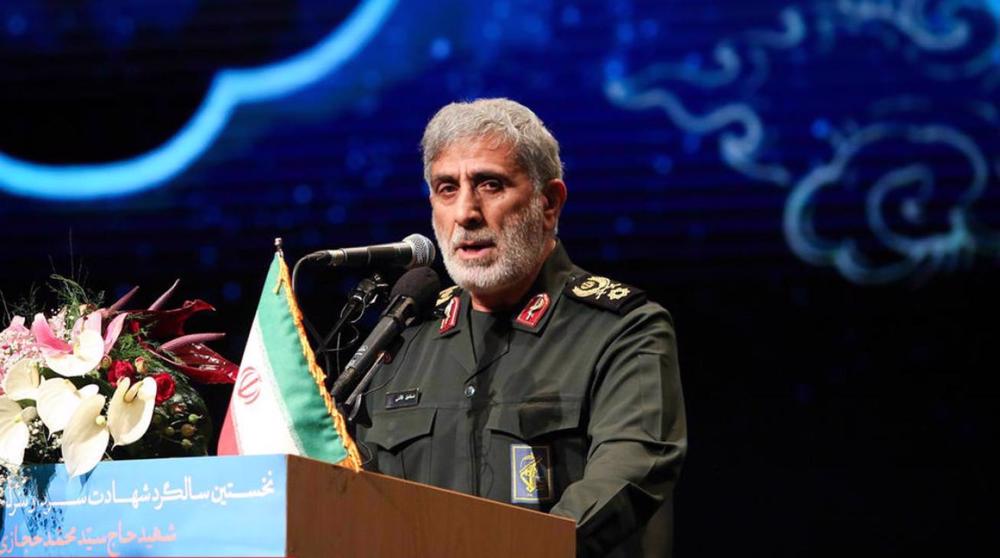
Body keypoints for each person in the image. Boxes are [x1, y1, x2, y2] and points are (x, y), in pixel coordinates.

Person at [354, 98, 686, 557]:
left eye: (490, 185)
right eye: (447, 188)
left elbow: (627, 476)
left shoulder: (623, 329)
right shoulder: (404, 337)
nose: (467, 213)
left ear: (548, 203)